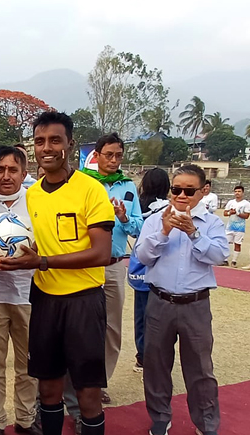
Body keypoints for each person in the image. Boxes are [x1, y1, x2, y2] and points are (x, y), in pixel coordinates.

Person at [3, 111, 114, 435]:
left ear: (69, 143)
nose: (47, 148)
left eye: (55, 140)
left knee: (86, 395)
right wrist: (20, 255)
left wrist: (43, 261)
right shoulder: (32, 195)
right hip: (46, 300)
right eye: (39, 141)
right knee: (47, 388)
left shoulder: (91, 190)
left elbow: (101, 252)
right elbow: (34, 243)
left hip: (83, 301)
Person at [135, 164, 228, 435]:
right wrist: (163, 231)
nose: (182, 196)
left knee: (200, 368)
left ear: (203, 191)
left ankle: (206, 423)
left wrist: (194, 234)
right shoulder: (155, 220)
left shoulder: (211, 223)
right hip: (159, 302)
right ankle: (160, 416)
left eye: (189, 190)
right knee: (155, 363)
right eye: (176, 189)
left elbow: (219, 256)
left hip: (195, 304)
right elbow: (142, 256)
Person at [0, 146, 43, 435]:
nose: (6, 176)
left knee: (28, 363)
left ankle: (26, 418)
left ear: (23, 172)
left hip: (29, 293)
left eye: (13, 170)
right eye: (0, 169)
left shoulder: (36, 200)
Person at [80, 132, 143, 404]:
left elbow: (139, 228)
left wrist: (124, 218)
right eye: (109, 155)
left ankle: (99, 382)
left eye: (119, 155)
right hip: (84, 265)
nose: (114, 160)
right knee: (80, 324)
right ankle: (75, 379)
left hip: (114, 265)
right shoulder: (82, 183)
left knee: (112, 327)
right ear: (96, 155)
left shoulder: (128, 186)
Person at [129, 168, 171, 374]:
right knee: (160, 317)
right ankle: (158, 356)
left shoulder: (140, 206)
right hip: (160, 267)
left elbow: (134, 231)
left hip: (140, 265)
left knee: (141, 315)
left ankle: (142, 355)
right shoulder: (168, 209)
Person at [223, 185, 250, 267]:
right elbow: (225, 213)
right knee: (225, 243)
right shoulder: (231, 202)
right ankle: (225, 260)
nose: (237, 193)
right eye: (235, 191)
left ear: (243, 193)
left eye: (239, 191)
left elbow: (246, 216)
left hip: (240, 227)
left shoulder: (246, 203)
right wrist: (230, 213)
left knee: (237, 244)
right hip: (230, 227)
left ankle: (234, 261)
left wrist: (238, 213)